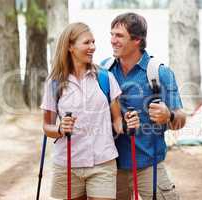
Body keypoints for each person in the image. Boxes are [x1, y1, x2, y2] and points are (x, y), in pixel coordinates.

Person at [41, 22, 139, 200]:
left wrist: (127, 125)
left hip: (102, 162)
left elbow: (117, 122)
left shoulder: (105, 78)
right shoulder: (54, 83)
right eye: (87, 43)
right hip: (68, 164)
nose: (93, 47)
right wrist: (61, 129)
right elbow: (47, 127)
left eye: (93, 42)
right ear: (70, 46)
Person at [100, 13, 186, 200]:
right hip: (111, 166)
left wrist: (169, 115)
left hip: (149, 166)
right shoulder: (104, 70)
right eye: (112, 34)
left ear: (137, 40)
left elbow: (180, 119)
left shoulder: (160, 73)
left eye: (119, 36)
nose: (112, 41)